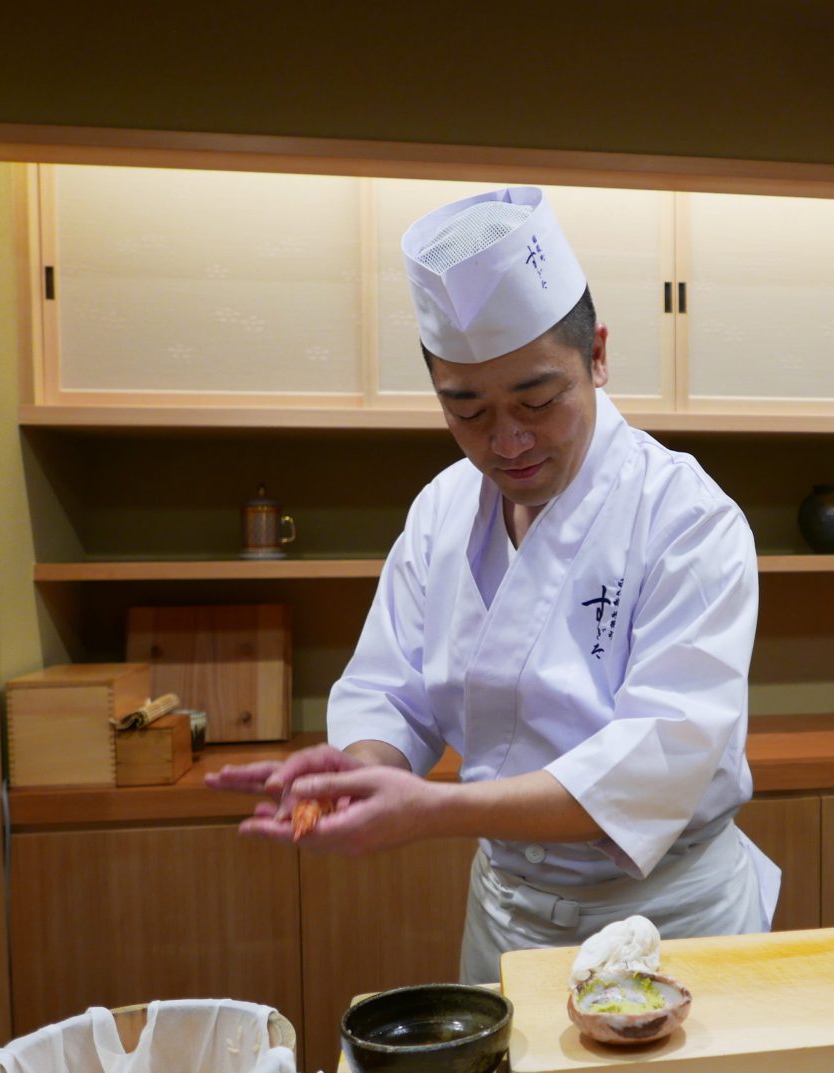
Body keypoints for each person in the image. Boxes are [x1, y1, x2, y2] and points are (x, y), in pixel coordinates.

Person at [207, 186, 777, 984]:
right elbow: (389, 690)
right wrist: (360, 770)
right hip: (507, 913)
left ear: (599, 356)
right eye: (466, 410)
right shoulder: (441, 511)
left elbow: (659, 756)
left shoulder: (685, 517)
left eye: (538, 400)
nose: (506, 441)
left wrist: (433, 810)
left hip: (672, 915)